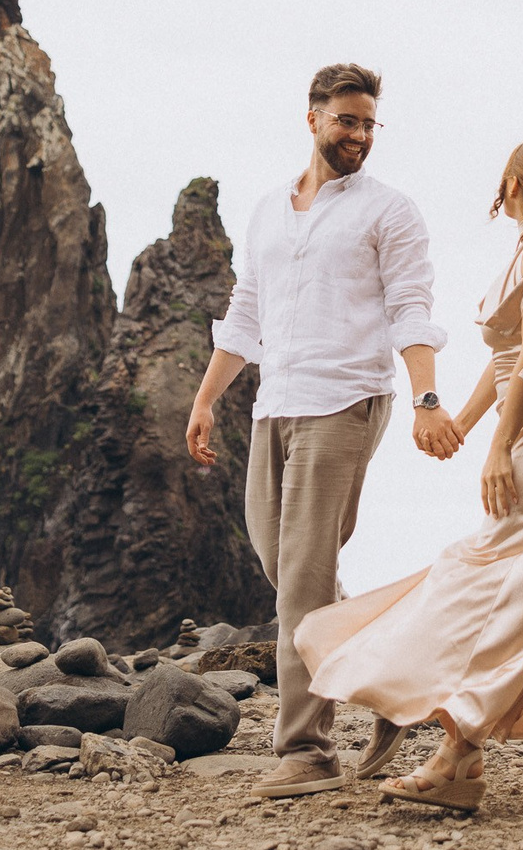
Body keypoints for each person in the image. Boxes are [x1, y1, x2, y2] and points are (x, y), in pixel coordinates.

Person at [295, 136, 523, 810]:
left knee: (496, 574)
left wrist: (500, 446)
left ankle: (460, 753)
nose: (498, 192)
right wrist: (465, 427)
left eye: (505, 180)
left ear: (519, 183)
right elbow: (505, 362)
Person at [185, 62, 461, 799]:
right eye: (347, 121)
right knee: (285, 567)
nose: (360, 136)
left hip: (347, 401)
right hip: (275, 402)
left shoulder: (389, 212)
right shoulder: (270, 210)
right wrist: (209, 398)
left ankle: (306, 749)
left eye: (369, 124)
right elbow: (246, 310)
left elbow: (411, 306)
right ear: (313, 119)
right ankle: (391, 689)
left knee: (302, 579)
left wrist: (427, 396)